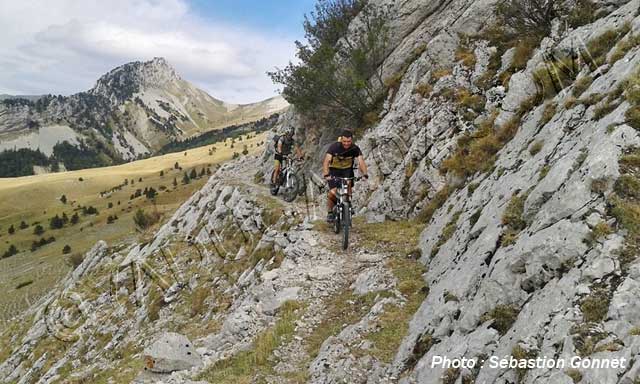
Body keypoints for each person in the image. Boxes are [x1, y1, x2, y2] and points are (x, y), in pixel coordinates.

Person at [323, 130, 368, 222]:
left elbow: (361, 161)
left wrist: (365, 174)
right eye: (344, 141)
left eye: (349, 142)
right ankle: (330, 212)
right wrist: (326, 174)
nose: (346, 144)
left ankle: (348, 205)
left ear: (351, 140)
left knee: (348, 184)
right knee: (332, 192)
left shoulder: (355, 148)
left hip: (347, 171)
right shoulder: (334, 147)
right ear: (341, 140)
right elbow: (326, 161)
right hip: (334, 171)